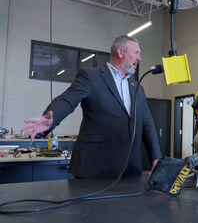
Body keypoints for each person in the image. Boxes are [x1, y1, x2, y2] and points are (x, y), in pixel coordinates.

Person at [21, 35, 161, 178]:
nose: (139, 58)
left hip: (130, 170)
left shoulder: (137, 88)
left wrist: (156, 158)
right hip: (95, 167)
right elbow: (67, 100)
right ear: (120, 52)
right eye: (136, 53)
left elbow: (147, 124)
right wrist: (51, 117)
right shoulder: (91, 77)